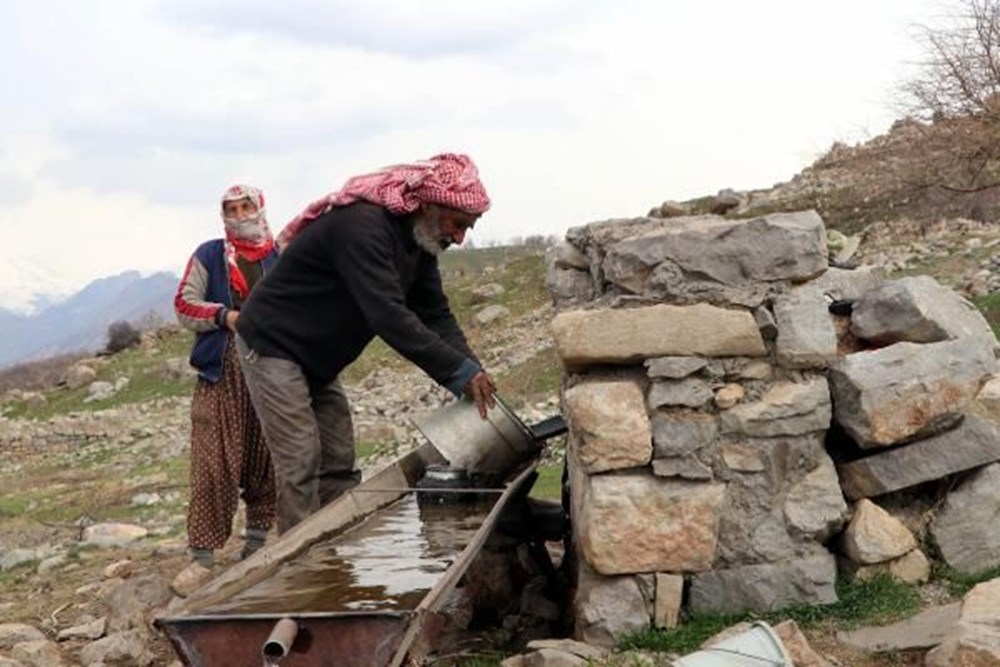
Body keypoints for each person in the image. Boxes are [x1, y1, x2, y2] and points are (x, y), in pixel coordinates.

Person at [236, 153, 497, 535]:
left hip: (319, 356)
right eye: (458, 225)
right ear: (428, 205)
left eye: (468, 228)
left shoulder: (419, 243)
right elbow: (388, 316)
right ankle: (297, 568)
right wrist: (457, 373)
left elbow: (436, 315)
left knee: (339, 460)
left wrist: (473, 370)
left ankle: (341, 548)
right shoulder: (362, 227)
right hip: (274, 344)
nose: (459, 238)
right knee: (300, 461)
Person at [171, 184, 278, 594]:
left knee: (264, 453)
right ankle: (201, 556)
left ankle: (257, 541)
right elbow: (184, 303)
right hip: (220, 372)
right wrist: (224, 316)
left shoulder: (278, 256)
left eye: (245, 206)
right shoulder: (210, 255)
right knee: (212, 459)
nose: (238, 214)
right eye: (231, 209)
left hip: (269, 370)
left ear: (260, 207)